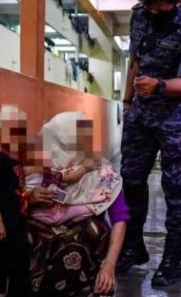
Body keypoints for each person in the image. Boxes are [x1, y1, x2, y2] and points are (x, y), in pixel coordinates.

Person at [117, 0, 181, 286]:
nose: (153, 10)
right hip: (141, 114)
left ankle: (171, 261)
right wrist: (128, 102)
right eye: (148, 3)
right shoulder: (140, 16)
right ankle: (133, 247)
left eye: (158, 4)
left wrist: (158, 86)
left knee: (176, 188)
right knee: (130, 179)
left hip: (177, 117)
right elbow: (135, 61)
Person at [26, 112, 129, 297]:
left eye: (56, 142)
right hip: (46, 234)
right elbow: (12, 200)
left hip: (82, 243)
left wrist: (109, 265)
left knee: (83, 235)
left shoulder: (102, 172)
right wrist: (30, 198)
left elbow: (120, 218)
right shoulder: (42, 167)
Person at [0, 105, 31, 297]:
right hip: (3, 220)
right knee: (7, 262)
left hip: (16, 219)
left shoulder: (16, 158)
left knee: (15, 264)